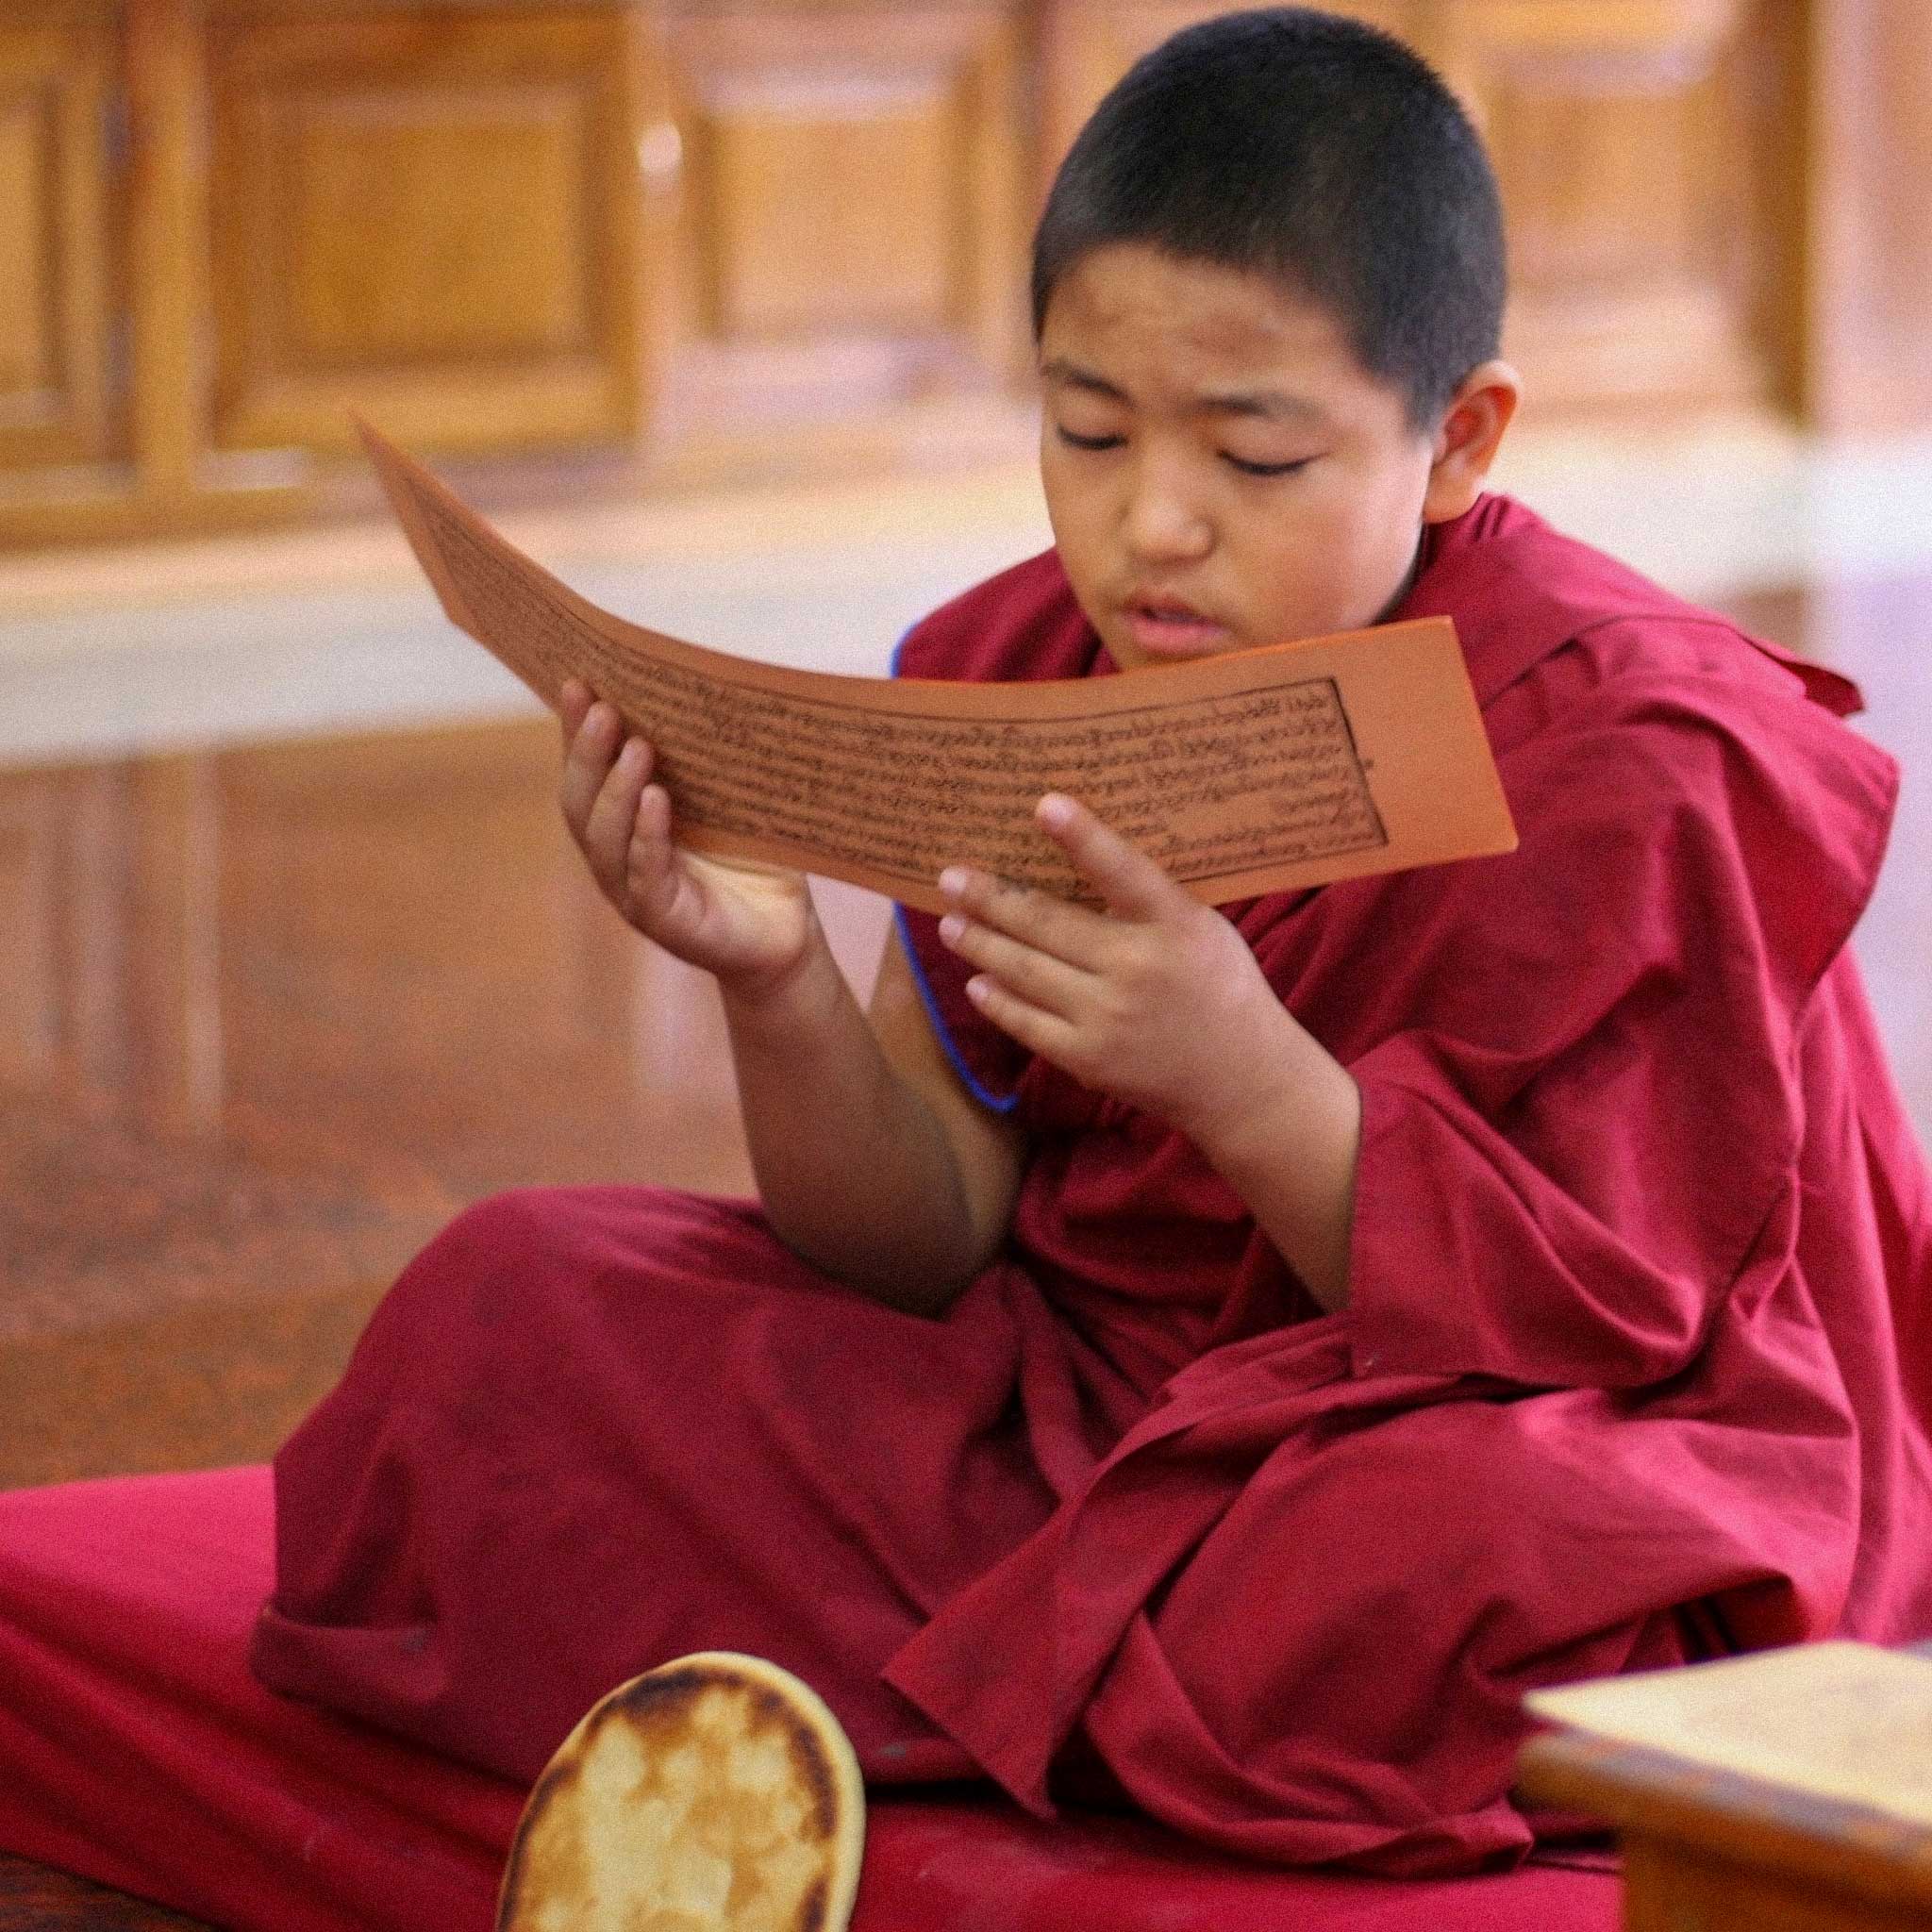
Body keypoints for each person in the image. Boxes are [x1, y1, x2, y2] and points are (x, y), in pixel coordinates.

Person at [250, 3, 1932, 1881]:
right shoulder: (1011, 670)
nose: (1149, 527)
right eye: (1085, 429)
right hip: (1084, 1407)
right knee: (509, 1314)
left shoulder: (1628, 744)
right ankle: (1068, 1680)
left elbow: (1606, 1323)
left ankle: (988, 1673)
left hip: (1467, 1419)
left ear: (1457, 440)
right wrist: (771, 980)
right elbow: (926, 1237)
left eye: (1255, 457)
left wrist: (1242, 1078)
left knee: (1423, 1579)